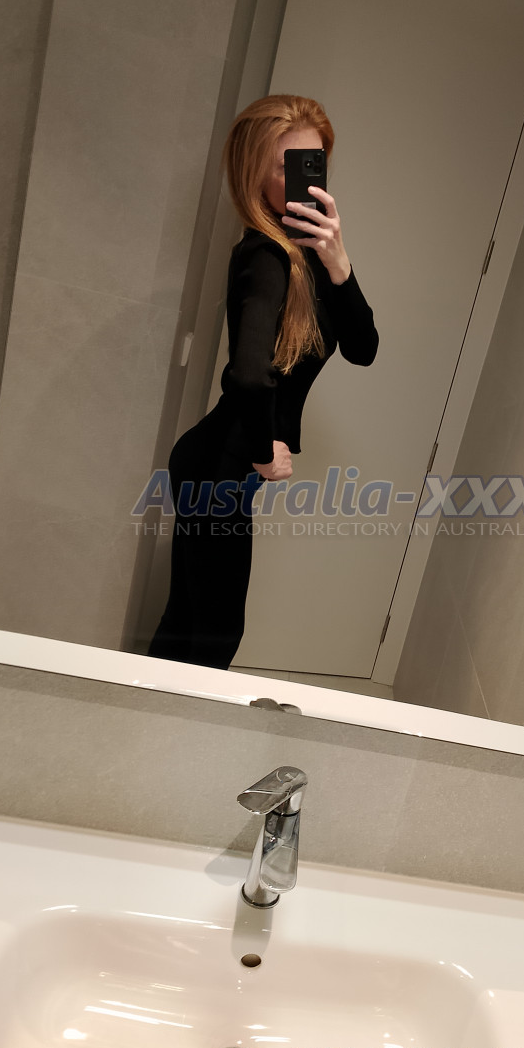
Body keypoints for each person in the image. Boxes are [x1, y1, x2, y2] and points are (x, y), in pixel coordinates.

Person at [147, 95, 378, 670]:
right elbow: (248, 375)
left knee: (190, 619)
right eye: (286, 166)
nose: (305, 180)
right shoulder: (265, 256)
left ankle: (140, 711)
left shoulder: (310, 257)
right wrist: (262, 450)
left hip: (216, 464)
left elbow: (364, 349)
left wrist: (340, 262)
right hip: (220, 465)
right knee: (214, 632)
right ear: (253, 172)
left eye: (314, 162)